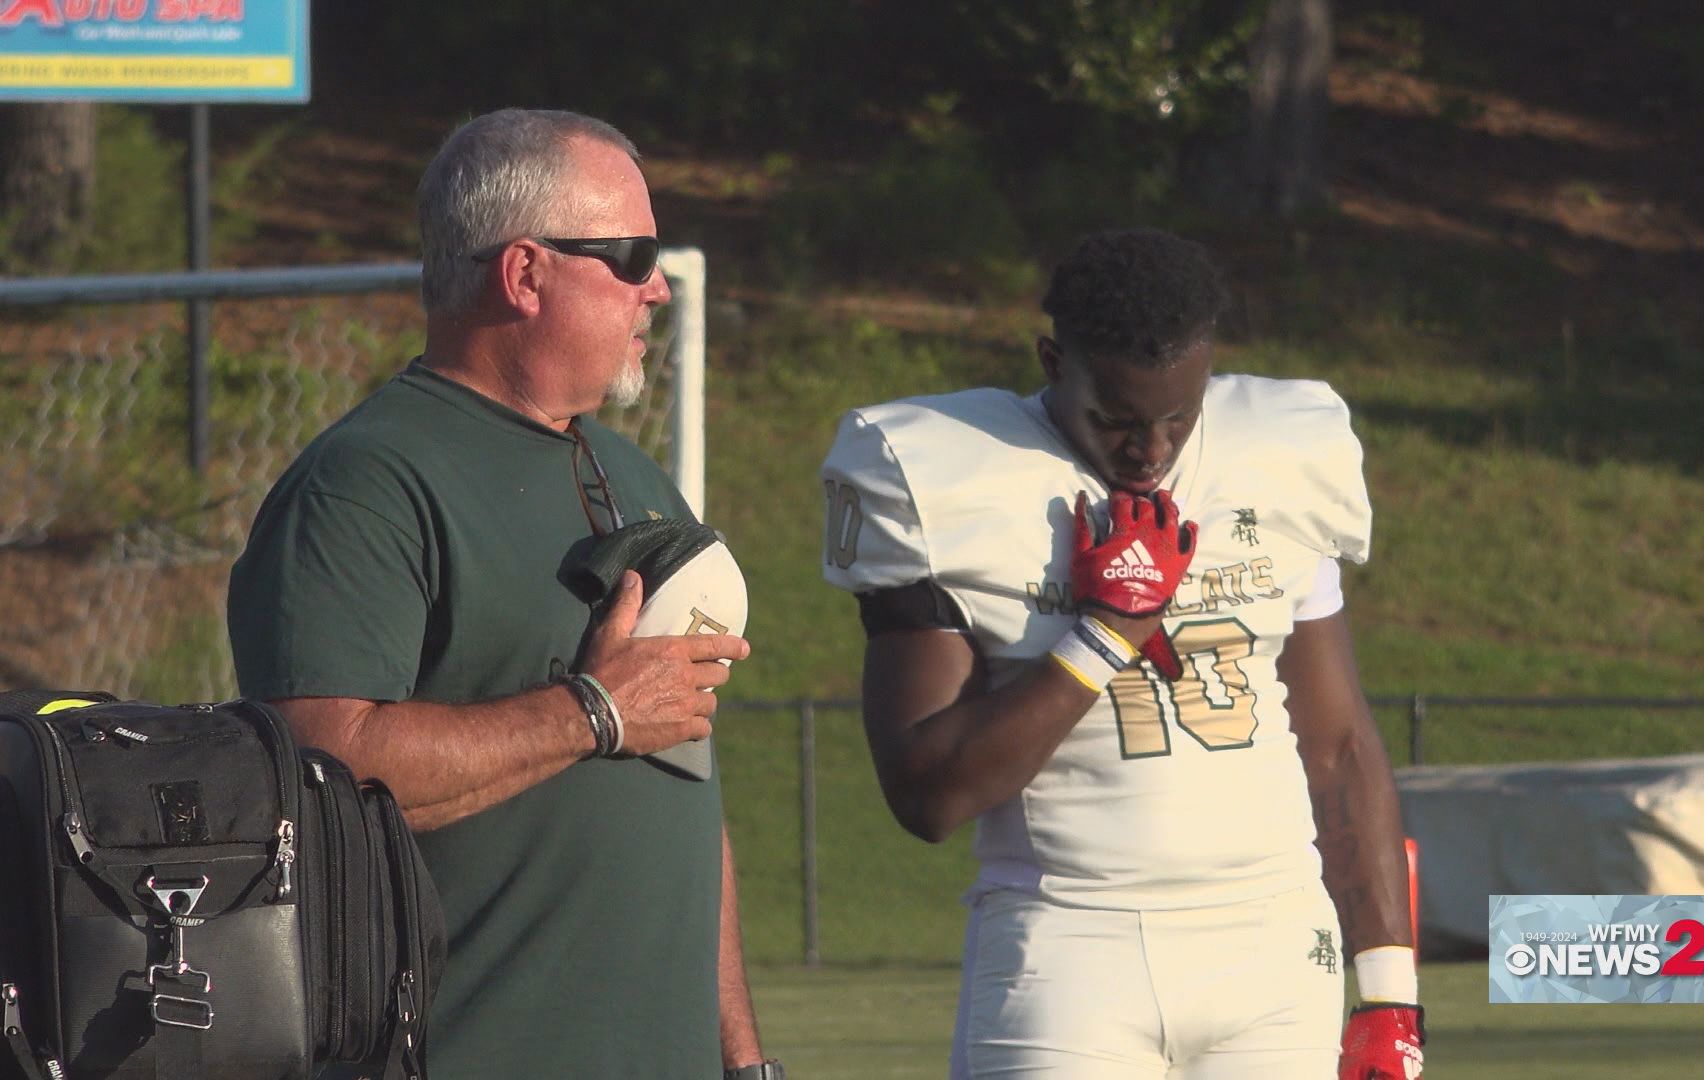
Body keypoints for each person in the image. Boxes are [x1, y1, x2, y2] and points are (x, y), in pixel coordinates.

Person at [228, 108, 783, 1080]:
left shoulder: (639, 478)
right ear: (524, 273)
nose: (656, 285)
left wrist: (742, 1056)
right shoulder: (368, 482)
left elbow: (691, 793)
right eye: (629, 254)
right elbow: (322, 777)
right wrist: (591, 712)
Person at [819, 227, 1424, 1079]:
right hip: (1071, 943)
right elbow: (929, 794)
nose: (1152, 451)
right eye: (1118, 418)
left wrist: (1390, 988)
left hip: (1279, 946)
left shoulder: (1281, 452)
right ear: (1051, 359)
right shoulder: (942, 471)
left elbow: (1339, 747)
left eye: (1181, 416)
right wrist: (1105, 634)